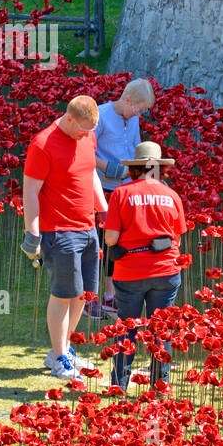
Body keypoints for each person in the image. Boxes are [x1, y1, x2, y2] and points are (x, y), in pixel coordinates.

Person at [22, 95, 107, 380]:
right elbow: (31, 191)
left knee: (83, 294)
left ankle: (64, 348)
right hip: (59, 230)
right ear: (69, 118)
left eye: (90, 131)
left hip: (88, 227)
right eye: (82, 129)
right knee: (63, 294)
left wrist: (103, 208)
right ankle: (59, 357)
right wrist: (32, 230)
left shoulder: (87, 138)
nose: (86, 135)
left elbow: (91, 173)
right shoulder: (42, 144)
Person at [103, 141, 187, 391]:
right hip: (166, 271)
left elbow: (110, 239)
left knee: (127, 325)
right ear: (160, 169)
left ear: (135, 168)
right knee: (161, 328)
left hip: (130, 272)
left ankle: (120, 383)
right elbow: (178, 237)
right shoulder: (172, 195)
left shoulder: (122, 193)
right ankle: (160, 385)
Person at [92, 77, 156, 314]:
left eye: (143, 111)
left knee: (116, 243)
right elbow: (84, 150)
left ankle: (110, 294)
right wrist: (106, 166)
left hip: (125, 190)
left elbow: (136, 147)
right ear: (127, 99)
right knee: (97, 243)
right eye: (138, 108)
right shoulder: (100, 115)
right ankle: (90, 296)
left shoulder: (134, 120)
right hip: (102, 190)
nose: (140, 114)